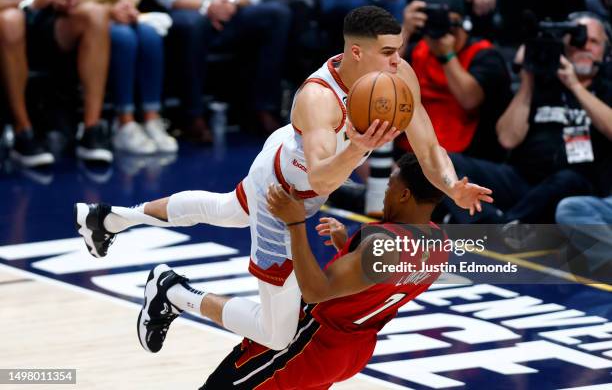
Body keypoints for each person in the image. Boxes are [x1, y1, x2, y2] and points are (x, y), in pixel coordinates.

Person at [75, 6, 492, 353]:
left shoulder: (398, 78)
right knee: (278, 335)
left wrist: (451, 185)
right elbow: (322, 176)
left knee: (226, 209)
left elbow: (428, 146)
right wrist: (356, 148)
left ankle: (109, 219)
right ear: (356, 53)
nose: (398, 61)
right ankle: (172, 292)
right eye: (387, 52)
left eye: (398, 50)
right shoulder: (319, 98)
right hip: (283, 190)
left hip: (289, 159)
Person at [143, 153, 447, 389]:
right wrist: (349, 249)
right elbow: (383, 280)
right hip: (352, 351)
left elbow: (317, 290)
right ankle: (173, 293)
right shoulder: (440, 244)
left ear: (405, 194)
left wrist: (295, 223)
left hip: (308, 343)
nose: (384, 190)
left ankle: (172, 291)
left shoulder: (382, 245)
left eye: (391, 183)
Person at [445, 12, 612, 225]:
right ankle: (487, 224)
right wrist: (528, 80)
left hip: (577, 188)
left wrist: (575, 86)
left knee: (568, 179)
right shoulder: (540, 84)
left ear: (605, 51)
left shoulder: (607, 87)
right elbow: (507, 138)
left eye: (594, 42)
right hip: (524, 180)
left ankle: (510, 222)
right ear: (564, 47)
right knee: (445, 161)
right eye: (577, 41)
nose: (585, 47)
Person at [144, 0, 291, 138]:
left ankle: (264, 109)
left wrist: (232, 1)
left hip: (232, 7)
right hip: (186, 9)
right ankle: (193, 115)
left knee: (277, 14)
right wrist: (206, 6)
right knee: (194, 24)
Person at [0, 0, 112, 166]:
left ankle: (91, 128)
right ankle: (23, 131)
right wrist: (32, 0)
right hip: (8, 22)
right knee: (10, 20)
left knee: (95, 13)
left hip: (48, 21)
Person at [399, 0, 510, 160]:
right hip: (411, 147)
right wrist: (405, 30)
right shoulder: (417, 50)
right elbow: (379, 80)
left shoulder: (486, 55)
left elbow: (469, 100)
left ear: (462, 23)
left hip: (465, 154)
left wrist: (447, 56)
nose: (440, 27)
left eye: (446, 21)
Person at [76, 0, 178, 154]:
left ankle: (151, 118)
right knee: (124, 39)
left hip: (123, 11)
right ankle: (124, 122)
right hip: (87, 17)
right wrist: (109, 11)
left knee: (150, 36)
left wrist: (126, 4)